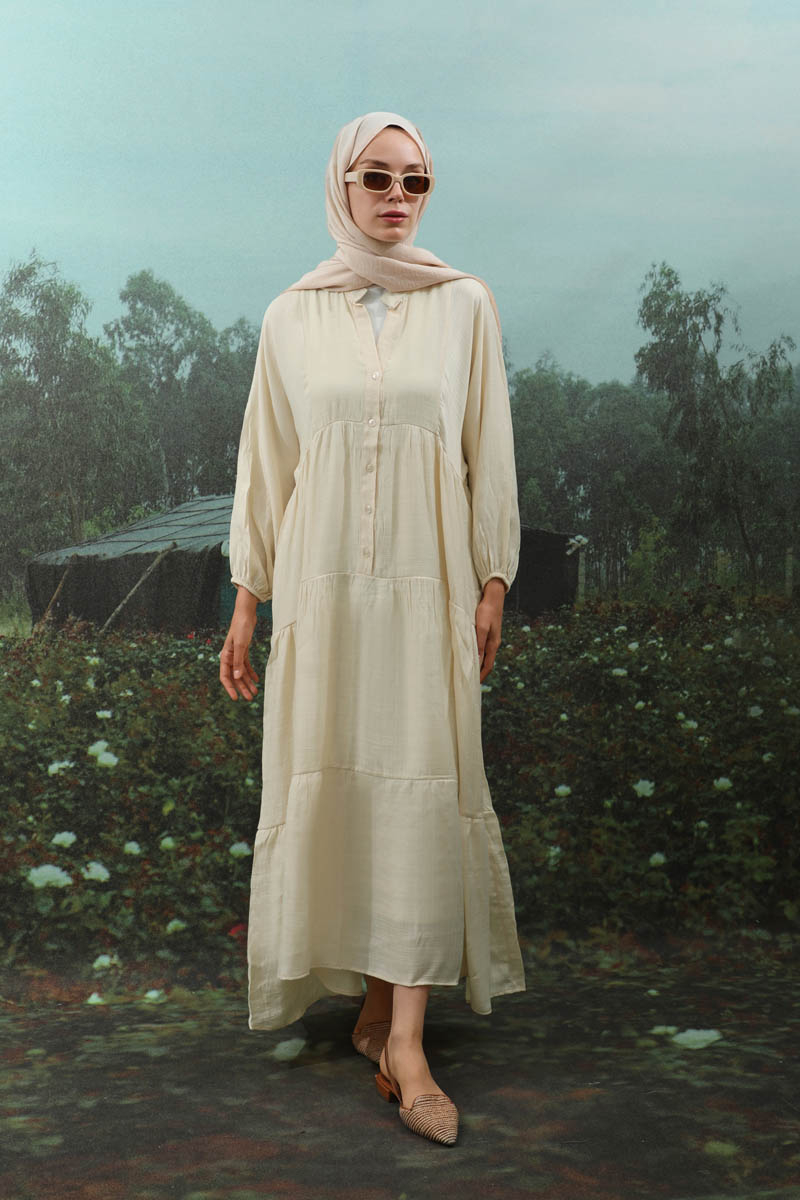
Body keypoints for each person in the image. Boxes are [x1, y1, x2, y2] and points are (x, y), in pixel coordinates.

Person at [219, 110, 525, 1147]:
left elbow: (487, 444)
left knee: (418, 784)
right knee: (344, 778)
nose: (398, 197)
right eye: (377, 177)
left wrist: (492, 578)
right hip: (323, 594)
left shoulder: (463, 304)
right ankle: (371, 1006)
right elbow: (267, 462)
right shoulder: (290, 316)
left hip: (428, 587)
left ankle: (406, 1043)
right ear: (340, 185)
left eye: (416, 180)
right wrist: (248, 594)